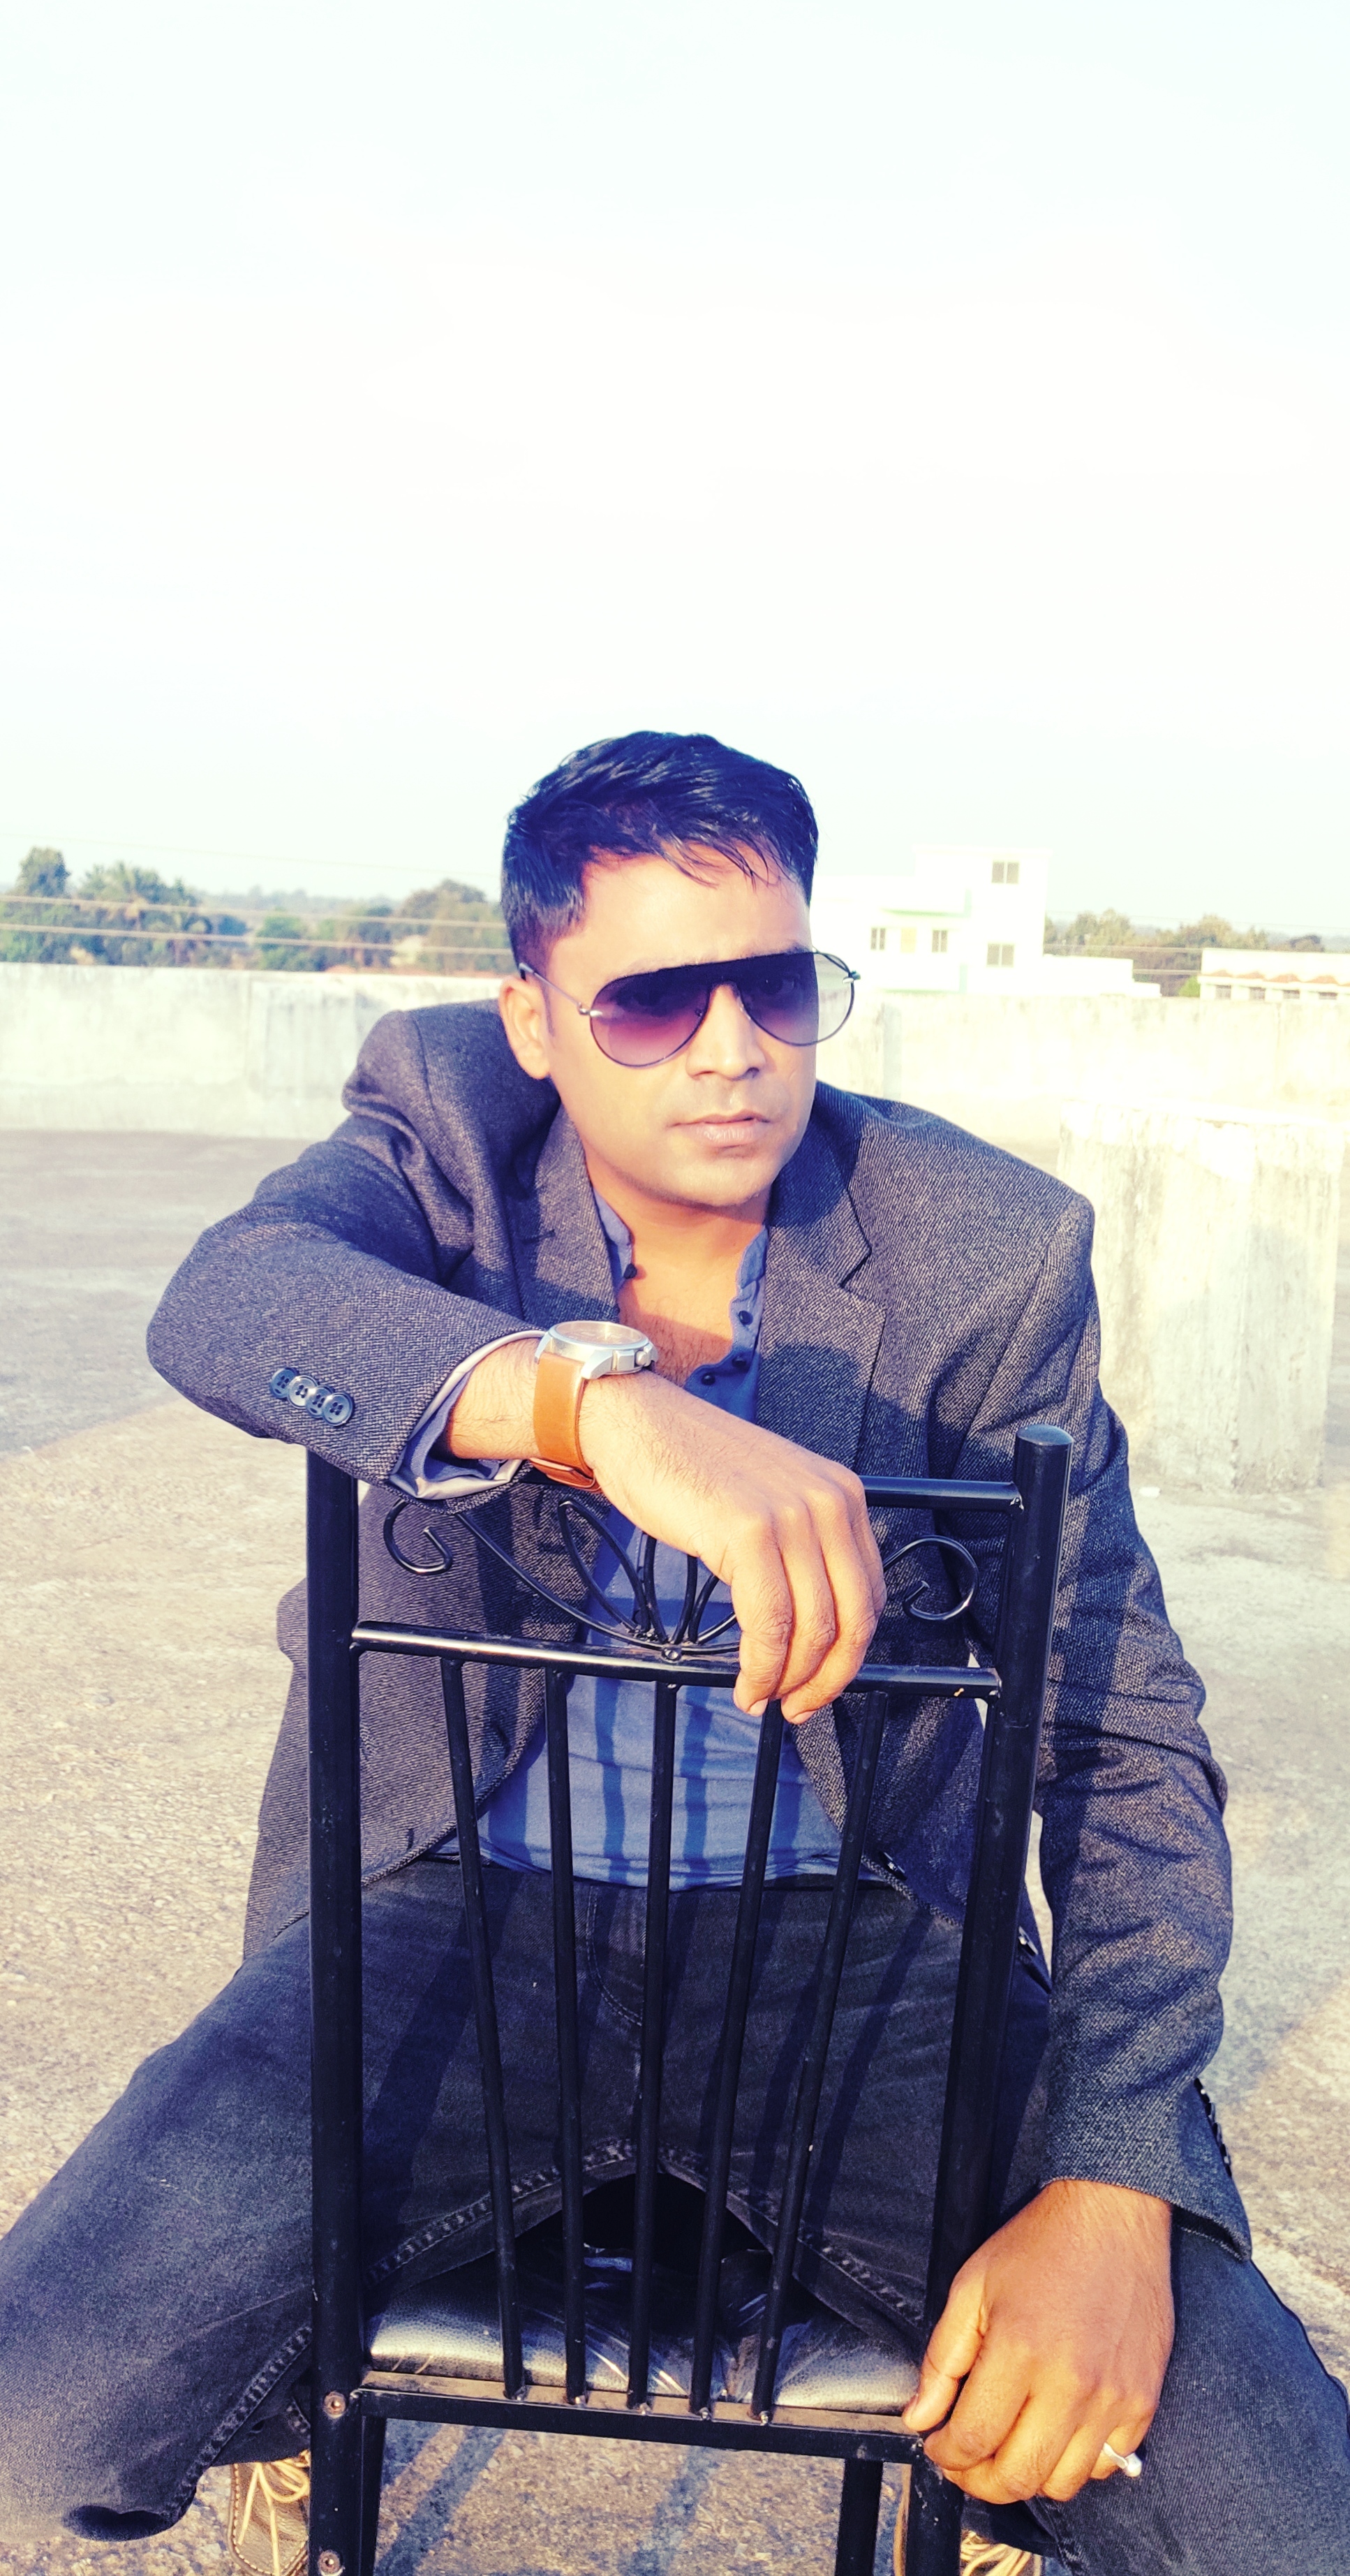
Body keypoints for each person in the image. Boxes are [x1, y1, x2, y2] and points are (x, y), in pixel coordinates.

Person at [0, 729, 1345, 2576]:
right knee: (38, 2426)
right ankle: (298, 2402)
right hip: (448, 1930)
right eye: (648, 1001)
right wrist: (589, 1405)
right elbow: (229, 1302)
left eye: (774, 986)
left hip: (860, 1957)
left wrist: (1113, 2185)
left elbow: (1122, 1737)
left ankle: (994, 2452)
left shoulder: (988, 1255)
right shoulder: (443, 1145)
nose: (730, 1047)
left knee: (1284, 2518)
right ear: (535, 1020)